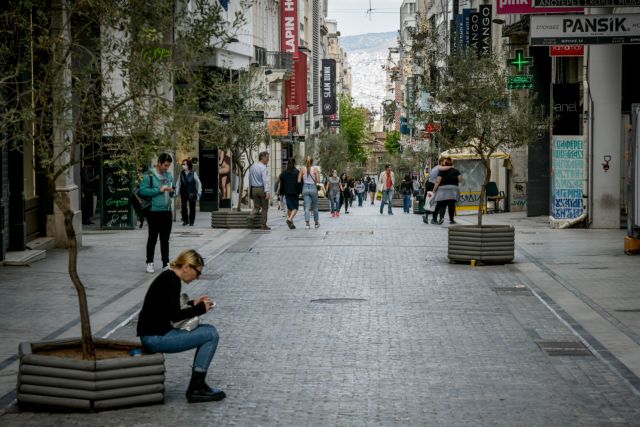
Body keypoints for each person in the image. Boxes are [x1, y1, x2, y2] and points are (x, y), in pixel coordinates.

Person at [137, 249, 225, 403]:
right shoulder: (172, 281)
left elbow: (169, 309)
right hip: (156, 337)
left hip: (154, 333)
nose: (197, 277)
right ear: (186, 267)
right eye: (197, 273)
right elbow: (175, 315)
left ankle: (198, 385)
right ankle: (196, 388)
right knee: (211, 334)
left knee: (209, 330)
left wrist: (193, 303)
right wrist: (201, 309)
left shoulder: (169, 277)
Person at [139, 153, 175, 273]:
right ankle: (150, 262)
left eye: (168, 166)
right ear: (159, 162)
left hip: (167, 211)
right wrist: (159, 190)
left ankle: (166, 262)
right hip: (154, 211)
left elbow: (172, 192)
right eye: (165, 165)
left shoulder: (169, 175)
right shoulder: (149, 175)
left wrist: (172, 191)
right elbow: (142, 191)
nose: (166, 168)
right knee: (152, 238)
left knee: (165, 239)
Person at [432, 157, 463, 224]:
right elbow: (460, 179)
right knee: (451, 205)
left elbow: (437, 181)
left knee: (440, 204)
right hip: (453, 190)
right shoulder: (456, 171)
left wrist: (434, 190)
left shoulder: (442, 171)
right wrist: (453, 180)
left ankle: (438, 218)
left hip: (442, 190)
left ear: (445, 164)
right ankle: (451, 220)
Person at [424, 158, 451, 224]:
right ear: (441, 162)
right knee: (436, 202)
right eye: (445, 162)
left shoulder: (435, 167)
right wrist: (451, 166)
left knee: (432, 201)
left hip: (431, 185)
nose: (446, 163)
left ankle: (427, 216)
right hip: (433, 185)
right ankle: (434, 219)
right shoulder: (440, 167)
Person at [175, 159, 202, 226]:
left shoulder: (193, 173)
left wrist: (199, 191)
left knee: (192, 208)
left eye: (184, 164)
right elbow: (178, 183)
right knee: (183, 207)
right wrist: (176, 192)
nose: (183, 165)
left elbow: (199, 183)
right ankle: (185, 220)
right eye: (182, 164)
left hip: (192, 193)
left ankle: (191, 221)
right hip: (183, 193)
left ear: (188, 165)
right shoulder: (181, 173)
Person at [248, 151, 271, 230]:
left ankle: (251, 216)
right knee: (265, 207)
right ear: (262, 158)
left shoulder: (253, 166)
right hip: (261, 189)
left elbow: (250, 178)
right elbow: (265, 180)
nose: (268, 159)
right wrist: (267, 192)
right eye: (267, 158)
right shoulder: (263, 168)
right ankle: (263, 225)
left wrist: (250, 190)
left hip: (254, 188)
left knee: (256, 207)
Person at [299, 156, 320, 229]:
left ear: (306, 161)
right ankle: (316, 223)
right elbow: (318, 181)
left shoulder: (302, 169)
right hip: (313, 188)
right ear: (312, 162)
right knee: (315, 206)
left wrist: (304, 178)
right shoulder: (315, 169)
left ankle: (307, 224)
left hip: (305, 188)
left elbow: (298, 180)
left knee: (307, 207)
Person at [280, 157, 301, 229]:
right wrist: (300, 191)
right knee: (295, 208)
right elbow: (299, 182)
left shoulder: (284, 172)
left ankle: (291, 223)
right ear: (294, 163)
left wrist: (281, 192)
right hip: (295, 192)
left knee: (289, 208)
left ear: (287, 163)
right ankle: (289, 219)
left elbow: (281, 182)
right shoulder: (297, 172)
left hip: (287, 192)